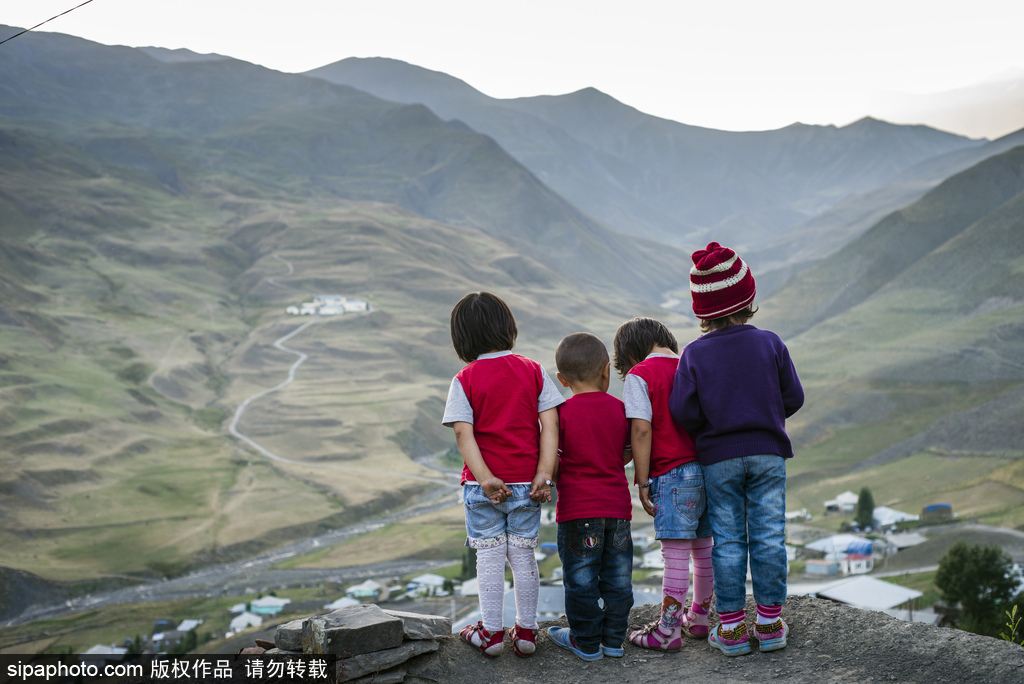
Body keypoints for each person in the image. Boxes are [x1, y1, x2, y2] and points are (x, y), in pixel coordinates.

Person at [669, 241, 804, 656]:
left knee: (727, 541)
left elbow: (682, 411)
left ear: (702, 310)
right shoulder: (770, 343)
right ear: (748, 298)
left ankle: (729, 630)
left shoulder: (694, 354)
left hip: (719, 460)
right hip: (767, 455)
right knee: (768, 536)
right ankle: (768, 624)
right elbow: (793, 397)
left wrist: (714, 425)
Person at [442, 291, 564, 658]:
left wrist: (484, 478)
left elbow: (463, 432)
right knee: (524, 556)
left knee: (490, 557)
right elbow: (550, 424)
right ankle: (526, 632)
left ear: (461, 338)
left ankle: (491, 633)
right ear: (509, 328)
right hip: (528, 484)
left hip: (484, 488)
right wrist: (544, 473)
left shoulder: (463, 379)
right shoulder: (533, 370)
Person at [614, 317, 715, 651]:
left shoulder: (639, 375)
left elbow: (641, 430)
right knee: (704, 547)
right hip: (708, 470)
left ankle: (668, 630)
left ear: (629, 354)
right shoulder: (691, 361)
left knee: (675, 554)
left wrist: (642, 481)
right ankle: (699, 618)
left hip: (671, 474)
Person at [545, 332, 634, 661]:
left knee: (581, 580)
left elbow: (552, 461)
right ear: (606, 371)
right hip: (618, 511)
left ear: (562, 379)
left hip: (577, 512)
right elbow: (626, 451)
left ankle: (585, 641)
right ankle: (613, 641)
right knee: (617, 578)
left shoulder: (561, 413)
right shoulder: (620, 409)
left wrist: (556, 475)